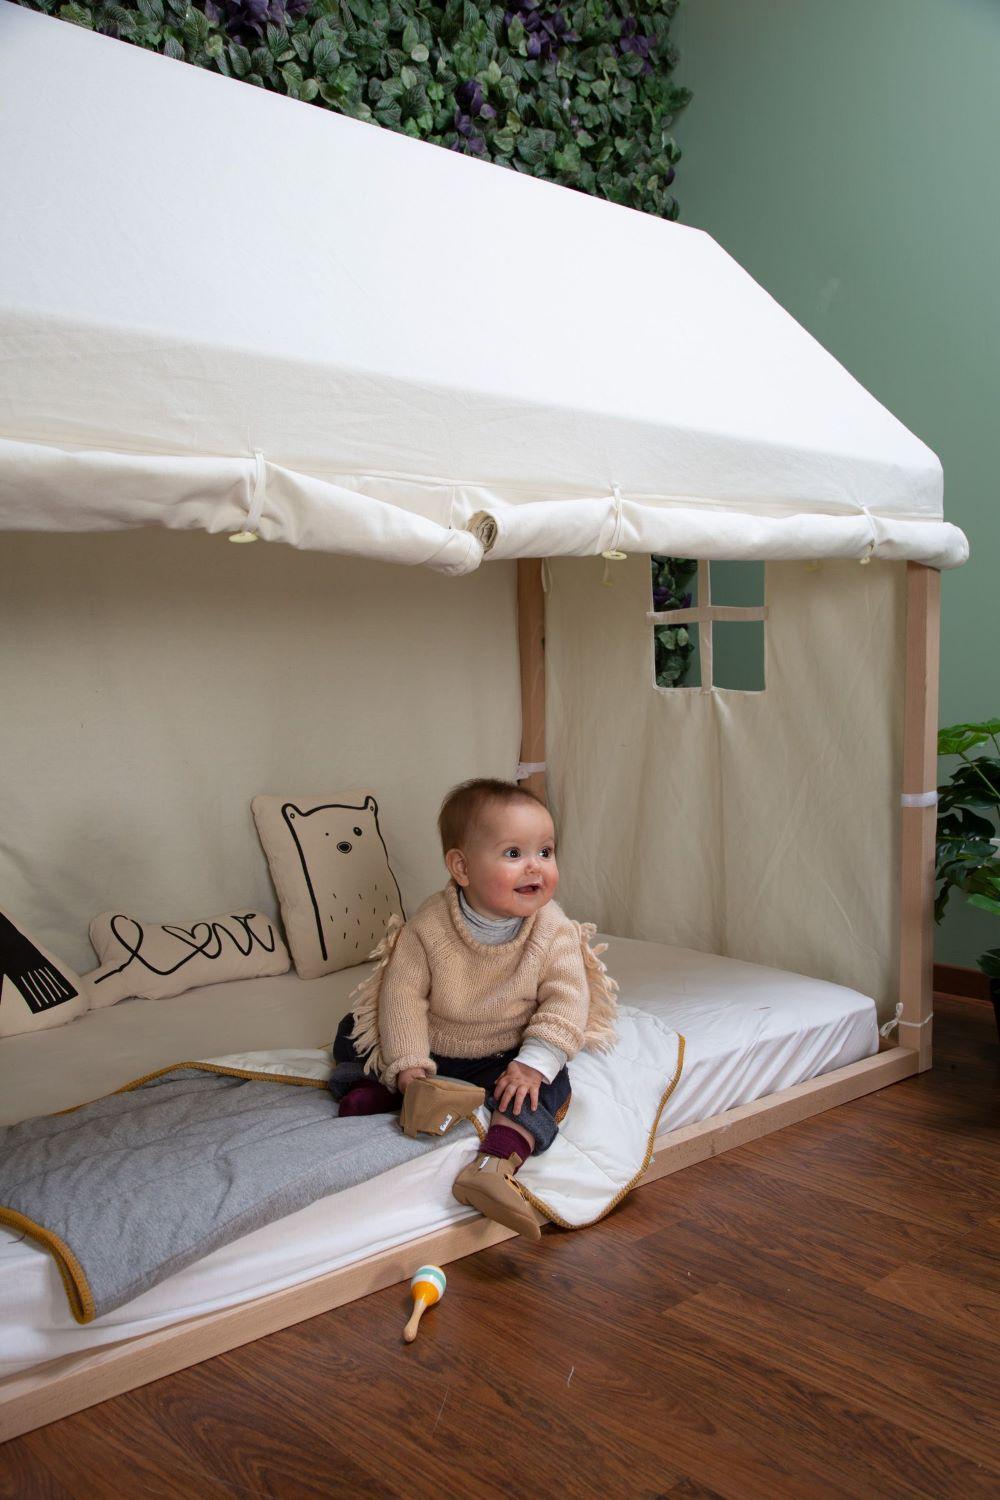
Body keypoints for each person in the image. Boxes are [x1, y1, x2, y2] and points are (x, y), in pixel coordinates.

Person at [328, 777, 618, 1238]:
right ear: (461, 867)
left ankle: (494, 1163)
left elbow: (567, 1000)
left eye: (546, 852)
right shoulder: (428, 927)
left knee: (550, 1082)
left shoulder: (554, 930)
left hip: (502, 1055)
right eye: (514, 853)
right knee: (355, 1031)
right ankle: (396, 1091)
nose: (536, 867)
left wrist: (532, 1065)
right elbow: (402, 997)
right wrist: (409, 1066)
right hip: (434, 1045)